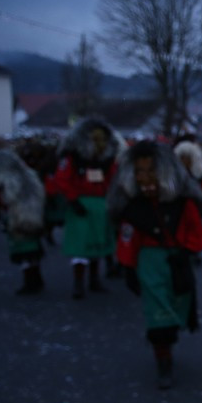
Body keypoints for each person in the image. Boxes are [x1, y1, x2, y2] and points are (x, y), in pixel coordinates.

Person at [107, 141, 202, 389]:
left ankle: (167, 344)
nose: (145, 178)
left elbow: (195, 230)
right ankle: (164, 361)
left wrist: (187, 251)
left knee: (177, 306)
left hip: (177, 260)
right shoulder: (133, 207)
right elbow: (128, 239)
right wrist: (128, 267)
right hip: (149, 262)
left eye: (150, 171)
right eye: (139, 172)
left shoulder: (183, 202)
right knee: (157, 312)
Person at [55, 118, 122, 299]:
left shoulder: (108, 160)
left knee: (97, 246)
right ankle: (78, 283)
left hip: (100, 205)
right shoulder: (73, 158)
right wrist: (73, 200)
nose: (99, 144)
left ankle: (94, 280)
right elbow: (62, 179)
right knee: (79, 247)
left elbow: (114, 180)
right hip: (81, 205)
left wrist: (112, 199)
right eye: (95, 139)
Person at [0, 139, 46, 294]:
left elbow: (6, 198)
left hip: (19, 215)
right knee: (32, 246)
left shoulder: (7, 179)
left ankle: (30, 282)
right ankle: (37, 279)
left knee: (23, 248)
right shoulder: (25, 172)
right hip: (32, 213)